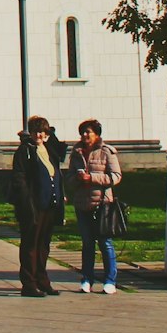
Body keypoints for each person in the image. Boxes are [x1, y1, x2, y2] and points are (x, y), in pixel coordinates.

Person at [65, 118, 122, 294]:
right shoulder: (76, 153)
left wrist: (94, 178)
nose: (84, 135)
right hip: (83, 204)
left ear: (96, 134)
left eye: (88, 132)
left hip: (102, 204)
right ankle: (87, 279)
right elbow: (69, 178)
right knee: (87, 243)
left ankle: (110, 280)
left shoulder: (106, 152)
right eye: (82, 132)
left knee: (105, 243)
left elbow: (116, 176)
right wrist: (78, 179)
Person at [8, 117, 62, 297]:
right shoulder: (25, 151)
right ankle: (29, 283)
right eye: (35, 131)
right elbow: (19, 178)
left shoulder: (47, 150)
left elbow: (60, 153)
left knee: (43, 244)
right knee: (31, 245)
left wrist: (50, 134)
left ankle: (42, 280)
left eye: (42, 132)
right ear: (30, 133)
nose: (39, 135)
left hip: (49, 204)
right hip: (33, 206)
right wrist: (26, 202)